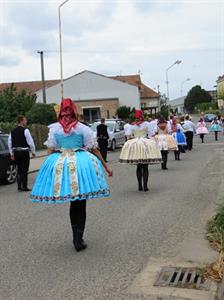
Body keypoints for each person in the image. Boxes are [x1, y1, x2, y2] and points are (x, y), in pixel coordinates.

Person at [30, 98, 112, 252]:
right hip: (80, 165)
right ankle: (78, 238)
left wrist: (47, 168)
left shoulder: (55, 129)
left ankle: (75, 236)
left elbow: (51, 149)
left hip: (62, 164)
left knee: (73, 203)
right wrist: (106, 166)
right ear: (74, 111)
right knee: (80, 203)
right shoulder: (82, 128)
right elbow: (94, 149)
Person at [120, 110, 162, 191]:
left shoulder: (132, 126)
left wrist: (134, 137)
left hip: (136, 145)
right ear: (142, 116)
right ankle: (145, 186)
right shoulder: (146, 124)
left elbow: (128, 136)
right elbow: (150, 134)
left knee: (139, 166)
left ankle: (139, 185)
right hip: (144, 144)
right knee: (145, 166)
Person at [8, 115, 36, 191]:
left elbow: (9, 143)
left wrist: (11, 154)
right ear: (21, 121)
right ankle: (24, 186)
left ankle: (19, 187)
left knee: (19, 169)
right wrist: (33, 152)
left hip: (16, 152)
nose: (26, 121)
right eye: (25, 120)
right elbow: (31, 142)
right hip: (24, 152)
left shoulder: (12, 131)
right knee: (24, 169)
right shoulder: (25, 130)